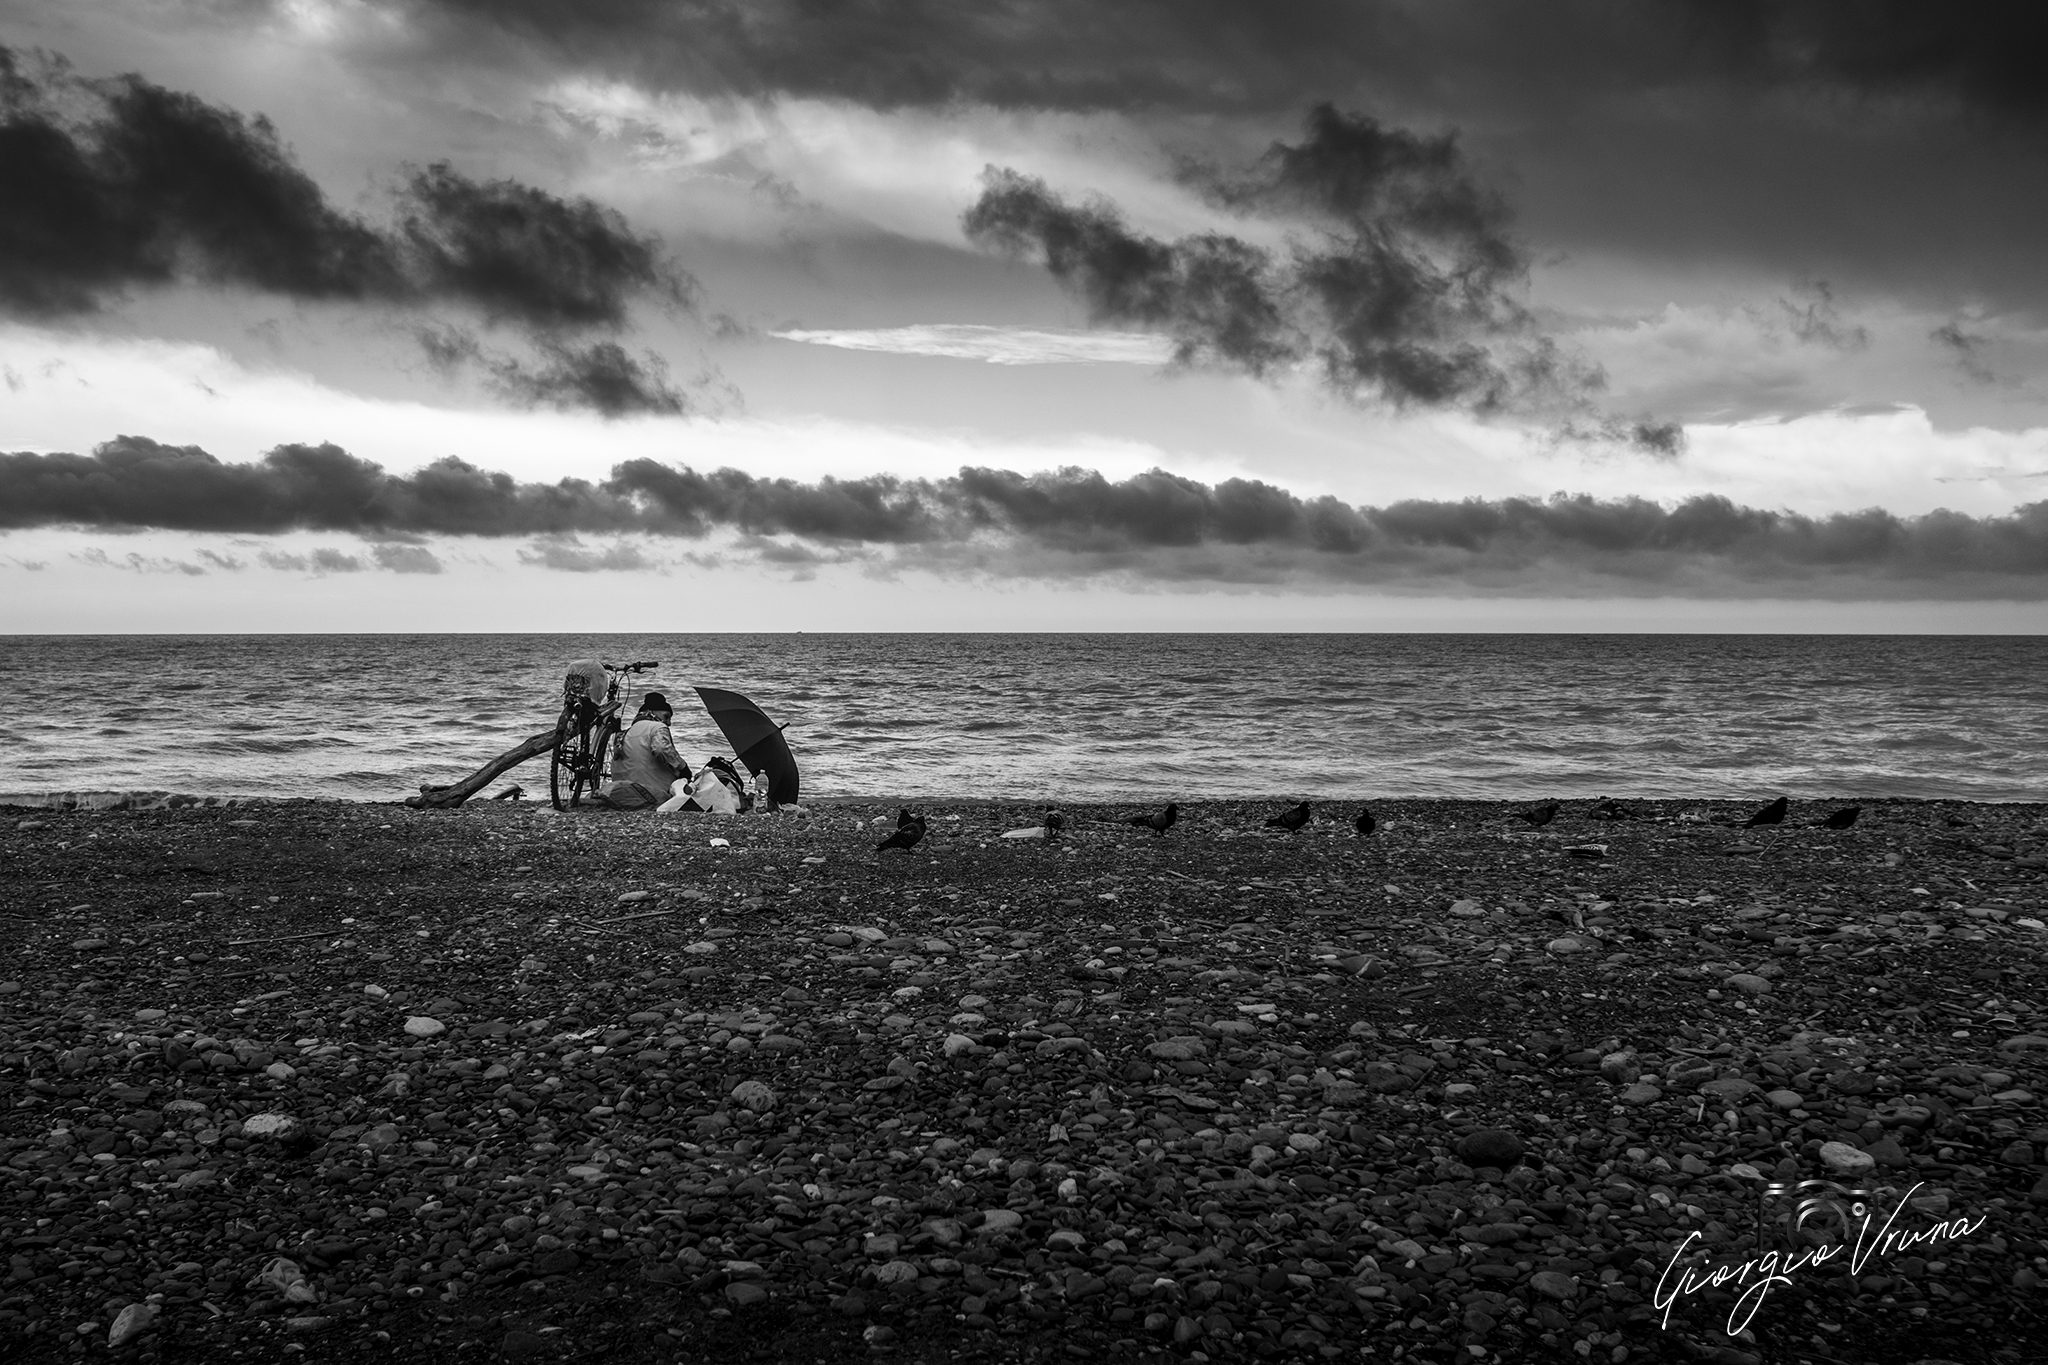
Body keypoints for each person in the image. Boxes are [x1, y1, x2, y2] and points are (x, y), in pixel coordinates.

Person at [604, 692, 691, 809]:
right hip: (651, 794)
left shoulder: (623, 734)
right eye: (666, 716)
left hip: (621, 792)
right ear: (652, 712)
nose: (669, 723)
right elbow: (661, 749)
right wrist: (683, 768)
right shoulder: (657, 727)